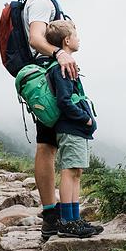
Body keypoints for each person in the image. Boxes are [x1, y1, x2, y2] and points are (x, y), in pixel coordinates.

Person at [25, 0, 83, 239]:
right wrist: (60, 53)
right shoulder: (39, 1)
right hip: (47, 78)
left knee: (47, 143)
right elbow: (35, 38)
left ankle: (54, 216)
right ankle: (52, 216)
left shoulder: (43, 1)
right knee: (47, 146)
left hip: (46, 75)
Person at [44, 20, 99, 237]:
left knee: (76, 171)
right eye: (76, 35)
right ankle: (67, 221)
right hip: (71, 128)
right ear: (67, 40)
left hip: (77, 130)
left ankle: (75, 218)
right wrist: (85, 119)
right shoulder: (61, 68)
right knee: (69, 171)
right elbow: (64, 101)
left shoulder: (67, 66)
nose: (79, 38)